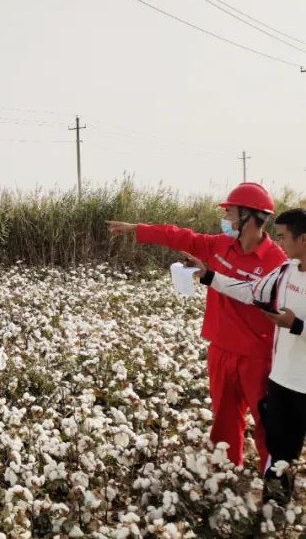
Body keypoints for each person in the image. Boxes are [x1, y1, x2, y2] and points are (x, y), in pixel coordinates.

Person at [106, 182, 286, 470]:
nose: (226, 221)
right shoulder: (218, 245)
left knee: (267, 421)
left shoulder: (276, 259)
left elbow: (257, 297)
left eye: (231, 214)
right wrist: (137, 229)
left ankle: (276, 480)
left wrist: (210, 276)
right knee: (224, 419)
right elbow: (180, 236)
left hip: (257, 355)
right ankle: (227, 474)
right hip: (220, 349)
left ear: (249, 217)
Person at [191, 208, 306, 504]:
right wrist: (210, 277)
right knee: (280, 449)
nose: (280, 245)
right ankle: (274, 510)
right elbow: (249, 290)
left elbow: (295, 322)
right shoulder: (285, 271)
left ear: (303, 239)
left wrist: (296, 325)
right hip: (281, 378)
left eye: (283, 237)